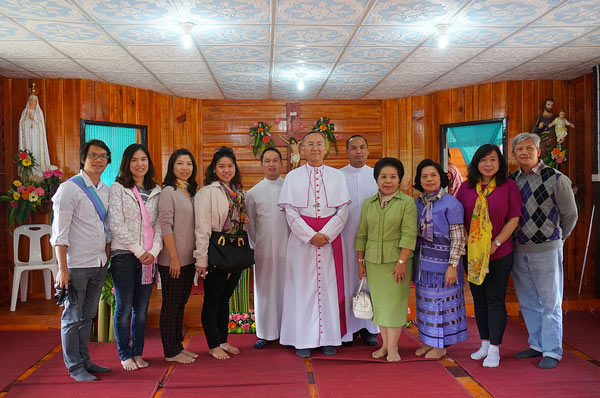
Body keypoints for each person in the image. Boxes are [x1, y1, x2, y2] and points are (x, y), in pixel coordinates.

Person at [277, 131, 350, 358]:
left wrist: (326, 234)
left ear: (326, 148)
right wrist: (310, 236)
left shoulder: (337, 176)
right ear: (302, 148)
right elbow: (291, 212)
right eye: (310, 144)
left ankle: (329, 338)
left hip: (330, 243)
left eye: (319, 144)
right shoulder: (292, 177)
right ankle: (303, 340)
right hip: (302, 245)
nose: (315, 148)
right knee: (302, 290)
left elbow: (343, 210)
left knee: (329, 289)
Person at [510, 132, 578, 369]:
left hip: (547, 249)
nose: (525, 152)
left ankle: (552, 350)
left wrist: (558, 239)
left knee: (550, 302)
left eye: (530, 148)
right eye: (520, 149)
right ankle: (536, 344)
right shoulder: (512, 180)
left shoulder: (556, 178)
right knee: (528, 301)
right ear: (514, 154)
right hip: (519, 249)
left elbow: (570, 214)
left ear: (538, 151)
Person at [50, 139, 112, 381]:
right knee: (72, 317)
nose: (98, 160)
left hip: (98, 263)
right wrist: (62, 269)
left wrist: (106, 257)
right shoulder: (69, 189)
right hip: (75, 265)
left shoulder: (105, 190)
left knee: (87, 317)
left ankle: (86, 361)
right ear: (83, 159)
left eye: (103, 156)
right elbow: (59, 234)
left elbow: (105, 228)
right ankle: (74, 367)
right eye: (94, 155)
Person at [456, 144, 521, 368]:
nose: (488, 164)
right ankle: (483, 343)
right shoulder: (465, 188)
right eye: (483, 160)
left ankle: (495, 348)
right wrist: (468, 240)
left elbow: (514, 218)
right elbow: (458, 218)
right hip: (473, 255)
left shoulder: (508, 186)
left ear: (499, 163)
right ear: (476, 163)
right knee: (479, 300)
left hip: (499, 253)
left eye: (493, 160)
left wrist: (496, 243)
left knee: (494, 300)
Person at [355, 157, 417, 362]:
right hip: (373, 262)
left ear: (400, 180)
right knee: (380, 305)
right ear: (377, 179)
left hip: (397, 262)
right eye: (383, 176)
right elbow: (361, 234)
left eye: (393, 176)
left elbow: (409, 235)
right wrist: (360, 262)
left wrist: (401, 262)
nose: (388, 181)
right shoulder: (368, 204)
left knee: (395, 305)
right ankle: (384, 346)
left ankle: (393, 348)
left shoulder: (407, 203)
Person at [108, 144, 162, 371]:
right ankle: (124, 354)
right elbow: (116, 224)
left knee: (141, 309)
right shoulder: (118, 188)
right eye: (134, 160)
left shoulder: (157, 190)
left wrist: (155, 251)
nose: (140, 164)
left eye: (143, 159)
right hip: (124, 255)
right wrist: (139, 251)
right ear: (127, 163)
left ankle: (138, 353)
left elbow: (160, 224)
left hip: (150, 257)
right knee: (123, 307)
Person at [194, 146, 247, 360]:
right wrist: (202, 259)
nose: (226, 170)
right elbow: (202, 227)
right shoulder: (207, 192)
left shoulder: (239, 192)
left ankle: (223, 340)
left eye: (230, 166)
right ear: (214, 169)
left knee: (225, 298)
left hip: (234, 250)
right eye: (221, 166)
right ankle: (213, 344)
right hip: (215, 250)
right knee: (212, 300)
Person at [413, 159, 468, 359]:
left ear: (441, 178)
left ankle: (441, 346)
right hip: (423, 266)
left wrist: (453, 266)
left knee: (442, 307)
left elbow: (459, 237)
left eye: (433, 175)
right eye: (424, 176)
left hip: (444, 265)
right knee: (426, 306)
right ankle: (429, 342)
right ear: (419, 180)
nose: (429, 179)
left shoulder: (451, 203)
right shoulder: (417, 203)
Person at [157, 149, 199, 364]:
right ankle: (170, 351)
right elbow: (166, 226)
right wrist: (173, 257)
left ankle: (177, 346)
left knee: (180, 304)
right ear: (172, 166)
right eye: (180, 163)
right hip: (172, 260)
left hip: (188, 259)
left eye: (189, 164)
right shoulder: (169, 192)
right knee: (171, 305)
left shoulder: (191, 192)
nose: (185, 168)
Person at [246, 147, 289, 349]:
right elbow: (251, 224)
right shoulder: (253, 193)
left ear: (281, 163)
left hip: (289, 249)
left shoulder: (290, 187)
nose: (272, 164)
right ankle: (265, 333)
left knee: (287, 290)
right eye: (267, 161)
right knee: (264, 290)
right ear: (261, 164)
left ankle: (288, 332)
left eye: (275, 160)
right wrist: (257, 244)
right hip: (263, 250)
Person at [339, 135, 379, 346]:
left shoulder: (377, 175)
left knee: (371, 282)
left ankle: (370, 329)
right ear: (347, 152)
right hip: (344, 238)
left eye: (362, 147)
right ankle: (350, 329)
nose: (358, 151)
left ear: (367, 150)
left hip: (372, 240)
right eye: (353, 148)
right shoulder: (337, 176)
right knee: (347, 282)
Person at [19, 93, 50, 176]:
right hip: (28, 136)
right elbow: (21, 124)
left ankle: (38, 175)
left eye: (34, 101)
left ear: (37, 102)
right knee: (29, 152)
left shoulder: (39, 112)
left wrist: (34, 119)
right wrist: (28, 120)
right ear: (28, 101)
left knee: (36, 153)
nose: (33, 102)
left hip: (37, 137)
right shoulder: (25, 112)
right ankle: (28, 174)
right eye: (31, 101)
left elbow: (41, 125)